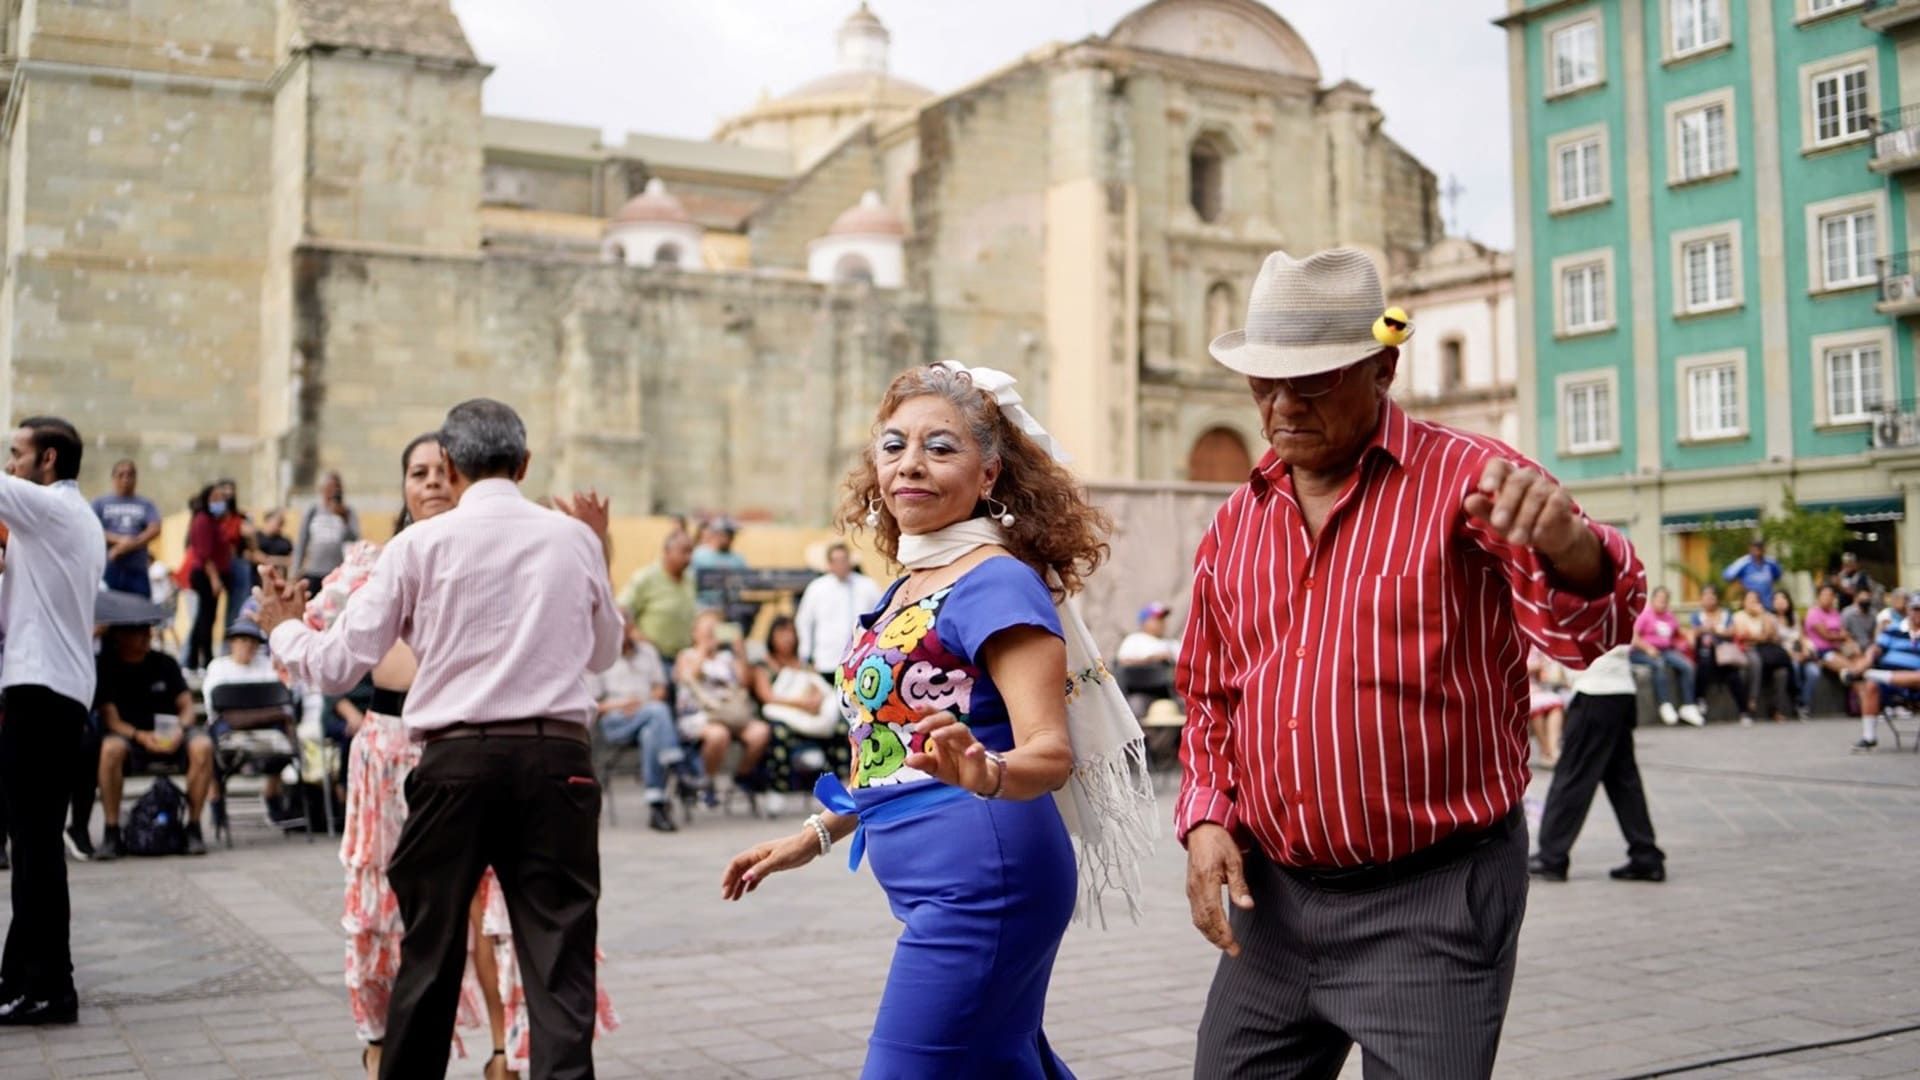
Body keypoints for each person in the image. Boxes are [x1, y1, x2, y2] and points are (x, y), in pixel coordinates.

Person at [1174, 249, 1645, 1077]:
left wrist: (1572, 547)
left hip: (1431, 902)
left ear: (1382, 367)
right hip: (1275, 907)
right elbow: (1211, 694)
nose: (1281, 407)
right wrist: (1209, 814)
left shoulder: (1472, 479)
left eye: (1311, 382)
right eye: (1262, 383)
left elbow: (1588, 633)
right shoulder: (1237, 520)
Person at [722, 360, 1153, 1078]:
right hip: (940, 874)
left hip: (986, 880)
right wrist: (820, 833)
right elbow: (898, 750)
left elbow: (1050, 753)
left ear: (988, 475)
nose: (909, 466)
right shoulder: (909, 584)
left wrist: (986, 771)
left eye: (940, 447)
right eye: (893, 446)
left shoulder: (994, 581)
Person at [256, 400, 624, 1080]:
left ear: (451, 468)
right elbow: (603, 653)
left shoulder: (416, 546)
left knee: (428, 954)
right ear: (526, 464)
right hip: (557, 763)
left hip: (454, 763)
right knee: (559, 959)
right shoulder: (572, 540)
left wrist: (282, 625)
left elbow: (336, 665)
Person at [0, 417, 105, 1026]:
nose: (10, 464)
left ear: (48, 459)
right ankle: (22, 976)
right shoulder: (52, 523)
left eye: (16, 454)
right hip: (49, 692)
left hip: (43, 695)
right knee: (33, 845)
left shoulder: (53, 509)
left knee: (35, 848)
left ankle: (48, 987)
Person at [1528, 645, 1666, 884]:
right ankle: (1645, 855)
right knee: (1623, 780)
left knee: (1572, 776)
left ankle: (1551, 856)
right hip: (1620, 689)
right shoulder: (1621, 605)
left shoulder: (1587, 604)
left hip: (1595, 691)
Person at [91, 623, 215, 860]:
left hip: (171, 734)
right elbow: (111, 719)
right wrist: (140, 736)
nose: (147, 637)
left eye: (148, 631)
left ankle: (194, 827)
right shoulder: (107, 666)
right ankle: (111, 830)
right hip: (131, 736)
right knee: (110, 749)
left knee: (203, 746)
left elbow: (187, 706)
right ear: (121, 636)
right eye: (139, 632)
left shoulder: (165, 663)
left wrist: (180, 728)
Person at [590, 616, 682, 833]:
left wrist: (644, 705)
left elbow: (660, 688)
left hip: (648, 715)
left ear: (632, 627)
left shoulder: (648, 652)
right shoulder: (598, 655)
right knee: (658, 712)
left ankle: (656, 802)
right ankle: (675, 759)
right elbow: (593, 704)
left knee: (651, 733)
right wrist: (623, 704)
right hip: (616, 719)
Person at [674, 608, 768, 803]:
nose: (711, 632)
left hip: (730, 713)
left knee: (760, 732)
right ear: (695, 632)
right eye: (706, 628)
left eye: (714, 628)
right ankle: (707, 782)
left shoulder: (726, 658)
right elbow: (688, 677)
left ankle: (741, 777)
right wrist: (703, 649)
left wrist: (740, 652)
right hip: (700, 714)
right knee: (718, 735)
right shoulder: (687, 655)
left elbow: (743, 682)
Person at [752, 614, 848, 801]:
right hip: (784, 718)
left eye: (790, 632)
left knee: (841, 728)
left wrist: (816, 701)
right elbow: (767, 697)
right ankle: (778, 789)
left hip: (811, 718)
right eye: (782, 633)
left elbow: (820, 688)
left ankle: (837, 786)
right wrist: (799, 703)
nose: (787, 638)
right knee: (778, 733)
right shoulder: (763, 665)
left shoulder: (805, 664)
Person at [793, 541, 882, 677]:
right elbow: (804, 621)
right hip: (826, 658)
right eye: (836, 560)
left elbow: (880, 616)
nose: (841, 565)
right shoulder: (817, 588)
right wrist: (806, 652)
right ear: (829, 563)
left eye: (844, 560)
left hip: (860, 657)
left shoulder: (867, 586)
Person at [1845, 593, 1920, 752]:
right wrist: (1867, 660)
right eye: (1915, 609)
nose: (1917, 613)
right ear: (1908, 610)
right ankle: (1869, 737)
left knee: (1875, 677)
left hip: (1916, 682)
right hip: (1892, 682)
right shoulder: (1893, 629)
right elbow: (1875, 649)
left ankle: (1873, 674)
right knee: (1872, 685)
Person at [618, 530, 697, 665]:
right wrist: (639, 637)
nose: (688, 558)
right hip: (653, 658)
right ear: (667, 552)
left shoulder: (690, 579)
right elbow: (622, 610)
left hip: (682, 658)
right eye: (684, 552)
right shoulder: (646, 577)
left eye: (691, 552)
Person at [1631, 586, 1704, 726]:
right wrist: (1648, 648)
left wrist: (1689, 635)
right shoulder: (1645, 615)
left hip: (1665, 650)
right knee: (1659, 665)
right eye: (1660, 599)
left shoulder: (1669, 616)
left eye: (1665, 600)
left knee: (1687, 666)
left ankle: (1688, 705)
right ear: (1652, 600)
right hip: (1642, 651)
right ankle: (1665, 704)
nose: (1663, 602)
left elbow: (1678, 631)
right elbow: (1633, 637)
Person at [180, 484, 232, 672]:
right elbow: (205, 554)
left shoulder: (213, 521)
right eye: (216, 498)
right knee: (205, 618)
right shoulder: (202, 520)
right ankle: (204, 659)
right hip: (205, 575)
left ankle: (194, 660)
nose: (220, 502)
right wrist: (215, 579)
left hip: (211, 575)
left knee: (205, 617)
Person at [92, 459, 162, 597]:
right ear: (113, 478)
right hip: (108, 569)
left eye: (130, 475)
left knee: (140, 614)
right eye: (121, 475)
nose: (125, 479)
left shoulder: (146, 504)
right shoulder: (100, 503)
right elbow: (91, 529)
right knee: (108, 614)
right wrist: (119, 540)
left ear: (136, 478)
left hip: (137, 570)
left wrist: (129, 545)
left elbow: (155, 529)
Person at [293, 470, 361, 599]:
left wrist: (343, 519)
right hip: (314, 571)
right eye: (329, 488)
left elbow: (355, 540)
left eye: (336, 488)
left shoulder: (347, 512)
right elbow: (302, 541)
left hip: (337, 573)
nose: (332, 492)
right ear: (322, 489)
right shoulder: (313, 510)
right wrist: (296, 570)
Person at [1691, 584, 1749, 721]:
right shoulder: (1696, 616)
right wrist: (1705, 629)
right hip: (1706, 655)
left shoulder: (1726, 614)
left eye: (1712, 596)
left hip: (1724, 655)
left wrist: (1715, 630)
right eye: (1706, 596)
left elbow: (1731, 632)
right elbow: (1694, 633)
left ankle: (1744, 711)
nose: (1709, 599)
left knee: (1734, 676)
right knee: (1702, 666)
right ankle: (1700, 701)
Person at [1733, 590, 1792, 725]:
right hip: (1750, 651)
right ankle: (1751, 700)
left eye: (1756, 600)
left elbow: (1770, 635)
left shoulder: (1765, 616)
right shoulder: (1738, 616)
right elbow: (1744, 637)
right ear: (1743, 602)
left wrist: (1763, 616)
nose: (1753, 603)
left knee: (1781, 672)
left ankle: (1777, 710)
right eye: (1750, 600)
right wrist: (1760, 638)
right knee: (1755, 662)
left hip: (1766, 652)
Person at [1802, 585, 1854, 716]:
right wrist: (1841, 636)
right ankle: (1854, 705)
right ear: (1818, 597)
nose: (1828, 598)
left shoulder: (1834, 612)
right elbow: (1826, 635)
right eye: (1824, 595)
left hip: (1838, 648)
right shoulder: (1813, 613)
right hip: (1822, 652)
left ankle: (1857, 704)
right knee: (1851, 669)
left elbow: (1842, 630)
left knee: (1857, 660)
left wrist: (1844, 638)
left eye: (1830, 595)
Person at [689, 517, 747, 614]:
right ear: (716, 534)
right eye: (728, 534)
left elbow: (747, 582)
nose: (731, 538)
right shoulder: (699, 555)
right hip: (702, 608)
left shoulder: (738, 559)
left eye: (732, 535)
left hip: (730, 610)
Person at [1526, 648, 1568, 767]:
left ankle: (1552, 750)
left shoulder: (1536, 649)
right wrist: (1537, 666)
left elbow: (1544, 677)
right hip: (1522, 691)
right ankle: (1546, 751)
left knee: (1554, 706)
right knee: (1537, 711)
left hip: (1537, 690)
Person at [1723, 538, 1784, 608]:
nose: (1757, 551)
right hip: (1749, 607)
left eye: (1760, 547)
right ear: (1750, 549)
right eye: (1755, 547)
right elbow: (1727, 575)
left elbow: (1778, 575)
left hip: (1768, 605)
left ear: (1764, 549)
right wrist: (1739, 585)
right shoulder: (1743, 562)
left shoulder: (1771, 562)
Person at [250, 507, 295, 577]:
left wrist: (269, 559)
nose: (280, 526)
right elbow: (255, 556)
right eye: (279, 522)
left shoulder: (285, 541)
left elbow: (293, 560)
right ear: (268, 520)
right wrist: (282, 560)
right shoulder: (256, 537)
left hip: (279, 578)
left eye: (282, 523)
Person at [1843, 587, 1880, 651]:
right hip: (1852, 644)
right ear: (1856, 599)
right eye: (1863, 599)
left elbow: (1875, 631)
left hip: (1869, 645)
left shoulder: (1873, 613)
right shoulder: (1847, 612)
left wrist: (1874, 643)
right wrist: (1852, 643)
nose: (1865, 601)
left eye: (1867, 599)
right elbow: (1843, 631)